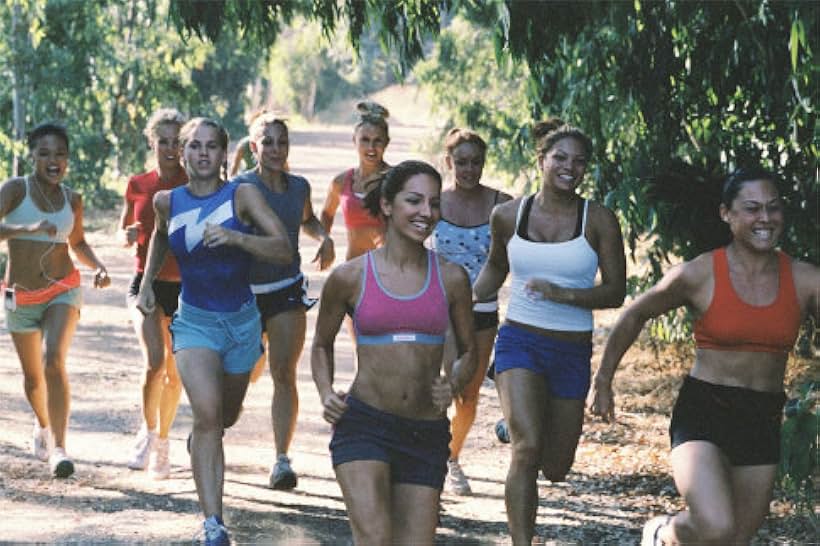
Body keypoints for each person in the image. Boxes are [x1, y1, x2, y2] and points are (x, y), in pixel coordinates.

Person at [588, 167, 820, 545]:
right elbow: (636, 314)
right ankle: (663, 532)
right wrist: (603, 380)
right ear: (726, 214)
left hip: (762, 416)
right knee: (715, 526)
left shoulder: (806, 279)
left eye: (773, 208)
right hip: (704, 412)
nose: (765, 218)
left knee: (734, 539)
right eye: (752, 208)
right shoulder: (699, 274)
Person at [136, 117, 292, 545]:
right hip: (195, 322)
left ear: (224, 155)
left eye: (211, 147)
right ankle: (214, 524)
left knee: (225, 415)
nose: (202, 154)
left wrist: (237, 239)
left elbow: (283, 248)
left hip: (242, 323)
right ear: (181, 153)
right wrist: (148, 284)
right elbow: (161, 238)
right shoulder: (167, 201)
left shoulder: (241, 195)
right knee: (207, 415)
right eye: (194, 147)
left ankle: (206, 441)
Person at [473, 118, 626, 544]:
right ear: (541, 159)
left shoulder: (598, 220)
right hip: (519, 340)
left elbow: (616, 291)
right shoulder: (507, 215)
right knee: (526, 450)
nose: (569, 167)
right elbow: (496, 267)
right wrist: (466, 300)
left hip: (570, 351)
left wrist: (563, 294)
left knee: (556, 466)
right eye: (560, 157)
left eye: (579, 162)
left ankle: (521, 422)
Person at [312, 160, 478, 544]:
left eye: (434, 204)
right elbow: (321, 343)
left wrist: (453, 381)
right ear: (387, 205)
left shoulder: (452, 278)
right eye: (414, 201)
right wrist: (324, 391)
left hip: (426, 432)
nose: (426, 213)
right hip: (364, 423)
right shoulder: (349, 277)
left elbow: (470, 352)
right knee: (374, 539)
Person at [0, 122, 111, 478]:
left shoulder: (72, 199)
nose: (53, 160)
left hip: (62, 288)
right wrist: (26, 229)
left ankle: (59, 447)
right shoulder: (15, 190)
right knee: (34, 380)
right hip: (20, 295)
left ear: (67, 159)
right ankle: (44, 425)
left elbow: (76, 242)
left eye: (60, 154)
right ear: (31, 155)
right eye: (45, 153)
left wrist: (98, 266)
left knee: (53, 361)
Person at [231, 112, 334, 490]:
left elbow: (306, 221)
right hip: (245, 294)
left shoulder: (299, 187)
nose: (276, 149)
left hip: (287, 289)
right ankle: (216, 424)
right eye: (268, 142)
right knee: (242, 373)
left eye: (282, 142)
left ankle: (281, 460)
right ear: (254, 146)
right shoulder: (239, 188)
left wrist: (323, 237)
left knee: (284, 373)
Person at [431, 128, 512, 495]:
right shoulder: (433, 202)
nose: (469, 169)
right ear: (448, 163)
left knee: (467, 393)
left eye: (476, 162)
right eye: (461, 162)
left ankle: (451, 458)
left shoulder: (502, 204)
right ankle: (428, 460)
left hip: (483, 310)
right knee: (436, 388)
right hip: (437, 308)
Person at [120, 108, 187, 479]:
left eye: (177, 141)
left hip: (183, 288)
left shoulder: (195, 183)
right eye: (164, 141)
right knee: (155, 362)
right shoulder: (137, 183)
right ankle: (147, 432)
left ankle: (163, 444)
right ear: (152, 142)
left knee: (175, 375)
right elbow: (124, 229)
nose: (171, 148)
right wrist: (127, 236)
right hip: (144, 282)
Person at [320, 101, 390, 262]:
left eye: (377, 140)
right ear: (354, 140)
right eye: (365, 140)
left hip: (388, 269)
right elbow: (326, 213)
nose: (371, 147)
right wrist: (325, 241)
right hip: (354, 267)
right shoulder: (341, 181)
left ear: (386, 142)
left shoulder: (396, 179)